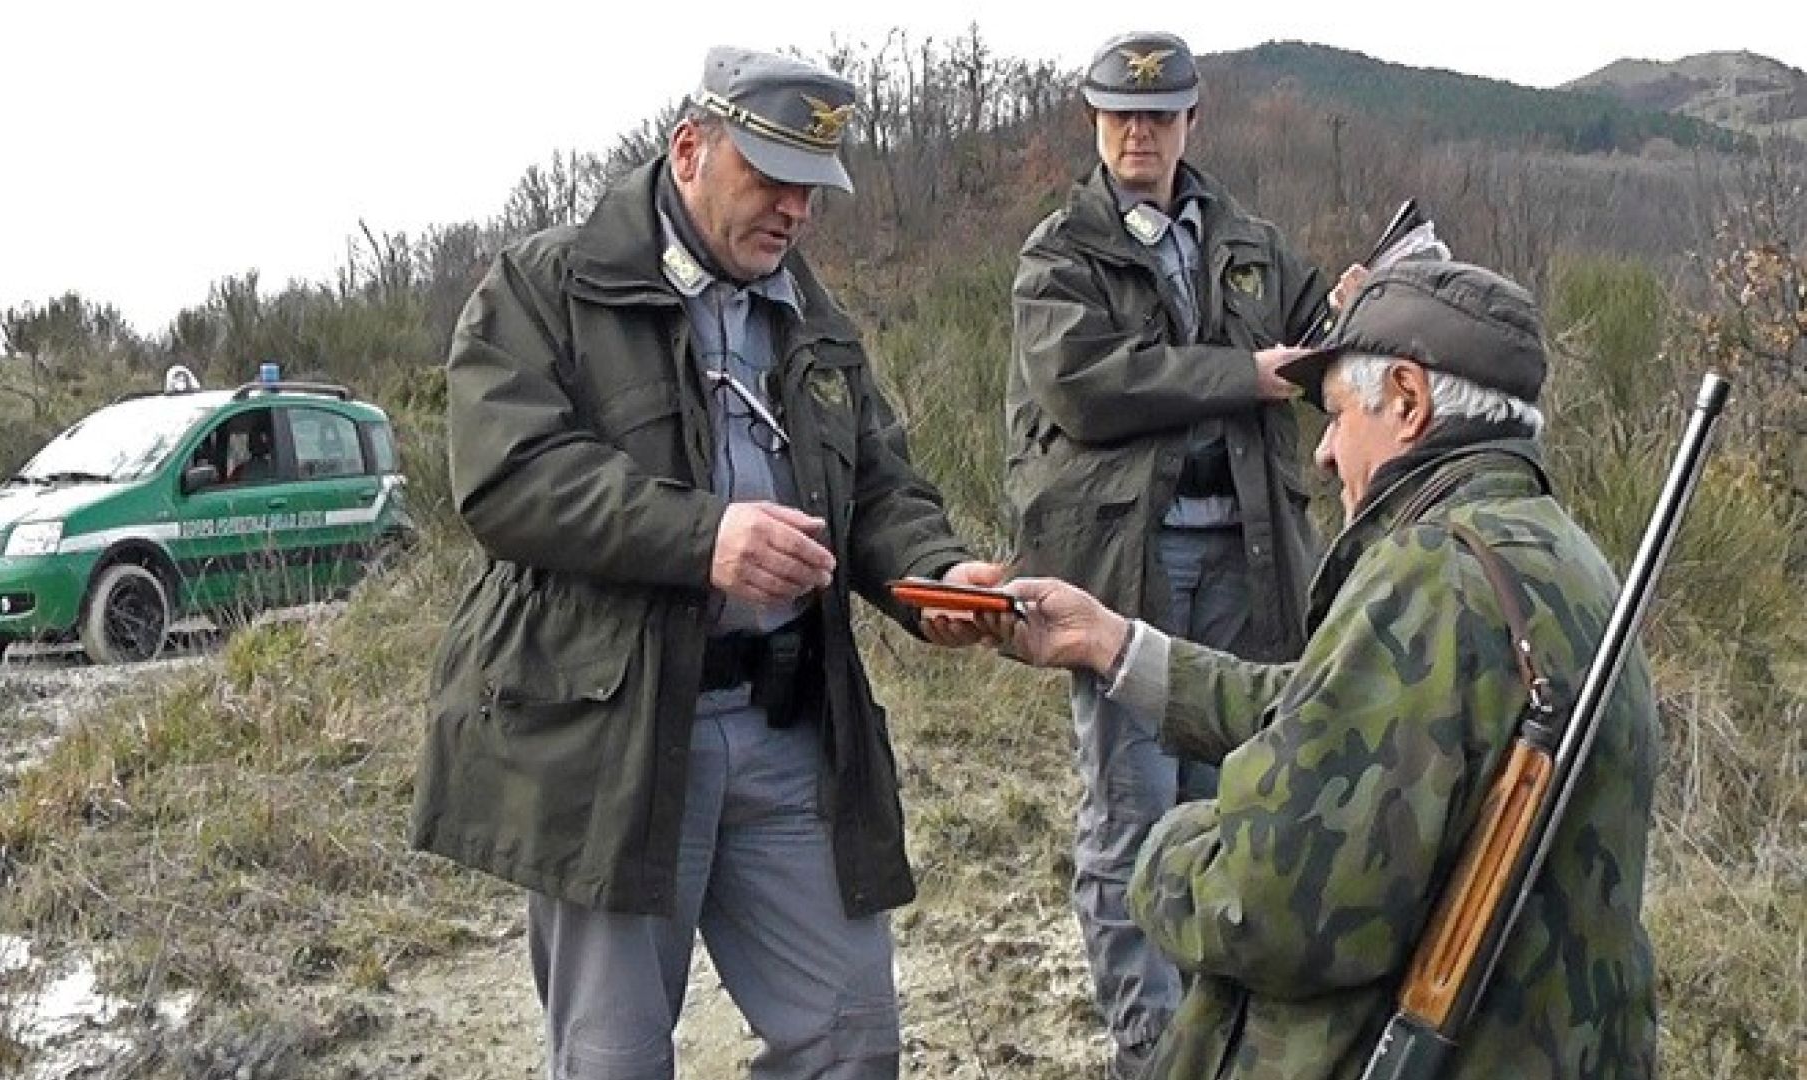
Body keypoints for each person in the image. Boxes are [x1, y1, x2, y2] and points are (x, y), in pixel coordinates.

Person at [409, 47, 993, 1080]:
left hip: (788, 732)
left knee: (853, 1042)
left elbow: (881, 484)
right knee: (614, 1058)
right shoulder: (548, 286)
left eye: (811, 189)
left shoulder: (811, 311)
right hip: (616, 740)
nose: (795, 210)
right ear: (690, 149)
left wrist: (935, 575)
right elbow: (509, 480)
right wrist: (703, 538)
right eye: (770, 178)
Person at [979, 260, 1659, 1079]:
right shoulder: (1558, 555)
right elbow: (1337, 706)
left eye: (1336, 414)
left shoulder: (1430, 577)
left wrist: (1168, 849)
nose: (1326, 454)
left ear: (1408, 400)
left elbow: (1268, 908)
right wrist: (1116, 644)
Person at [1004, 29, 1332, 1074]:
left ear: (1195, 117)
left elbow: (1313, 336)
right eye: (1120, 115)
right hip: (1120, 571)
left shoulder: (1250, 238)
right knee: (1131, 812)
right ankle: (1149, 1046)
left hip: (1249, 557)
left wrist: (1358, 314)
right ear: (1095, 123)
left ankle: (1211, 1025)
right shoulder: (1060, 252)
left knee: (1228, 803)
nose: (1139, 132)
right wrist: (1245, 372)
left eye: (1159, 113)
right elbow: (1090, 384)